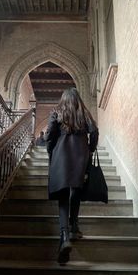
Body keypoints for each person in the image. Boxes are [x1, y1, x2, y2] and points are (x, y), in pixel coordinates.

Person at [45, 88, 98, 264]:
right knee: (75, 191)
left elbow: (49, 135)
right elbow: (95, 131)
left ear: (63, 99)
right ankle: (74, 226)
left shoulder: (57, 112)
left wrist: (50, 151)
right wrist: (89, 149)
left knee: (62, 197)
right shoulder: (84, 113)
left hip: (61, 157)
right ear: (77, 99)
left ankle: (65, 234)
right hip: (80, 157)